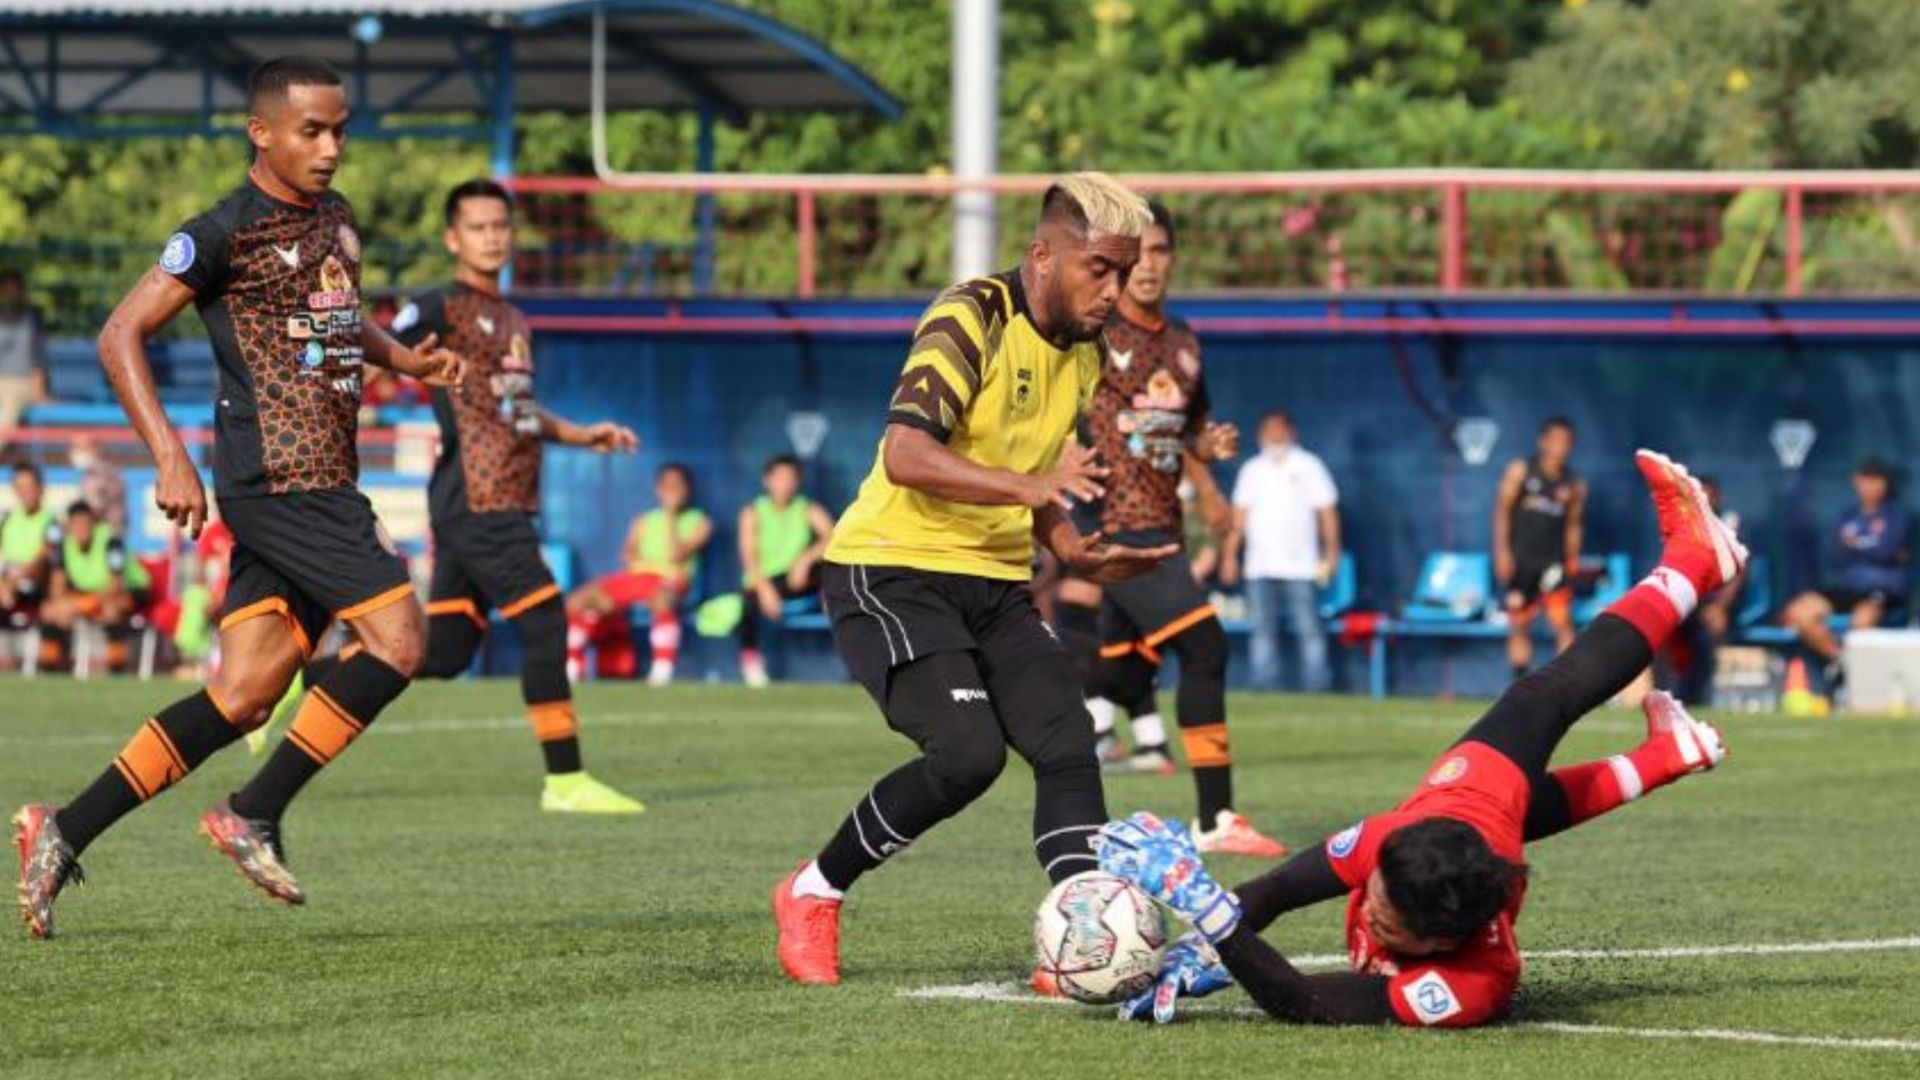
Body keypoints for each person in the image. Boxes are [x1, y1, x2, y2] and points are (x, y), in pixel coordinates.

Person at [12, 55, 464, 939]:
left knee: (246, 694)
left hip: (323, 480)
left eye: (340, 129)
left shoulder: (333, 217)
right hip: (280, 482)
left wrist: (401, 357)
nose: (331, 147)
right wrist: (169, 457)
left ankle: (62, 828)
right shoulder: (222, 232)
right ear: (261, 133)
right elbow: (119, 336)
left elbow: (336, 310)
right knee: (404, 640)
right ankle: (253, 809)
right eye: (312, 131)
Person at [1097, 450, 1743, 1028]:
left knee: (1532, 746)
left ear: (1438, 941)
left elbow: (1304, 1000)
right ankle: (1681, 644)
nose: (1368, 906)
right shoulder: (1390, 846)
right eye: (1373, 892)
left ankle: (1694, 568)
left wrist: (1209, 913)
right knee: (1536, 713)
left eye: (1384, 917)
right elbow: (1274, 893)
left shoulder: (1475, 983)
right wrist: (1202, 943)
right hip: (1466, 802)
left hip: (1480, 813)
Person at [771, 173, 1174, 987]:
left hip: (992, 583)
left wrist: (1072, 547)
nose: (1114, 289)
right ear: (1042, 256)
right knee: (967, 754)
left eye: (1124, 272)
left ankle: (1084, 940)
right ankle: (813, 891)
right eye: (1099, 268)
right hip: (891, 570)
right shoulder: (972, 314)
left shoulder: (1087, 354)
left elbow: (1031, 487)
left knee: (1069, 740)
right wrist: (1033, 492)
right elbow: (906, 455)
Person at [281, 178, 645, 813]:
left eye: (500, 226)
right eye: (478, 227)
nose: (492, 236)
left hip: (497, 500)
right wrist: (337, 404)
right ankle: (565, 781)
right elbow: (375, 349)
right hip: (478, 503)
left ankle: (303, 679)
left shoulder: (513, 318)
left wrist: (584, 436)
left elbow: (519, 411)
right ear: (453, 238)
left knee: (443, 652)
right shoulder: (439, 305)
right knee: (545, 621)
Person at [1068, 202, 1284, 857]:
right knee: (1206, 647)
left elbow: (1188, 426)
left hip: (1165, 525)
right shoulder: (1092, 336)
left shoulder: (1184, 343)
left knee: (1127, 675)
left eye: (1160, 251)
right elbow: (1047, 406)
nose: (1149, 265)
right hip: (1113, 526)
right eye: (1137, 253)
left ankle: (1062, 731)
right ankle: (1216, 819)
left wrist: (1208, 464)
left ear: (1171, 258)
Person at [1222, 411, 1340, 692]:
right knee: (1262, 631)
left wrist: (1332, 551)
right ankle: (1264, 686)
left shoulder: (1310, 465)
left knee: (1309, 629)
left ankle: (1318, 687)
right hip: (1259, 566)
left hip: (1301, 566)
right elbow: (1238, 518)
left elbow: (1327, 512)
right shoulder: (1252, 469)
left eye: (1279, 430)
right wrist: (1229, 555)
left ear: (1291, 432)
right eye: (1268, 431)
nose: (1273, 437)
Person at [565, 462, 710, 685]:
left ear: (687, 489)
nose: (672, 491)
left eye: (677, 485)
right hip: (637, 580)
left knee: (663, 600)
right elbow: (628, 557)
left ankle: (661, 670)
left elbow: (677, 555)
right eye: (667, 485)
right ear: (658, 490)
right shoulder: (643, 520)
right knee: (577, 601)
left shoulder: (700, 522)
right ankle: (572, 667)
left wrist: (670, 516)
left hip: (672, 581)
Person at [1781, 457, 1911, 689]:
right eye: (1866, 479)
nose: (1871, 486)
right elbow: (1837, 553)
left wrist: (1857, 544)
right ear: (1856, 482)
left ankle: (1860, 681)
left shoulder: (1897, 515)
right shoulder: (1848, 516)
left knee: (1863, 621)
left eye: (1877, 480)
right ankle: (1841, 660)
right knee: (1798, 612)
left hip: (1881, 590)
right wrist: (1866, 545)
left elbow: (1887, 550)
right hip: (1847, 587)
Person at [1493, 417, 1586, 678]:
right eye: (1554, 440)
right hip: (1521, 560)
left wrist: (1572, 559)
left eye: (1565, 442)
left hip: (1553, 562)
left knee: (1561, 619)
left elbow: (1574, 525)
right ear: (1542, 441)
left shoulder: (1574, 484)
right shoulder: (1521, 471)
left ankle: (1568, 682)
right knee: (1520, 623)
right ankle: (1519, 681)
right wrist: (1502, 553)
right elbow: (1501, 512)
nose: (1559, 447)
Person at [735, 453, 835, 688]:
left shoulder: (808, 508)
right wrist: (765, 590)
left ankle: (848, 638)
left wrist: (805, 559)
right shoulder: (752, 511)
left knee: (833, 574)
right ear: (767, 480)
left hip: (798, 580)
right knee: (748, 601)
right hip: (763, 582)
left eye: (791, 479)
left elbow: (833, 537)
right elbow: (749, 557)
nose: (785, 484)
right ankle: (751, 664)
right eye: (779, 478)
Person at [41, 499, 152, 672]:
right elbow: (57, 584)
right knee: (51, 610)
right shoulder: (64, 545)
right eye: (76, 524)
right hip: (90, 594)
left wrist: (81, 605)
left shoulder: (111, 542)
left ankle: (117, 669)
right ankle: (51, 667)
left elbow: (115, 584)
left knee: (111, 609)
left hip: (131, 590)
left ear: (93, 523)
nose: (81, 528)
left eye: (85, 523)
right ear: (69, 525)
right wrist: (62, 604)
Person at [0, 460, 57, 633]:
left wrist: (11, 583)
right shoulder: (8, 519)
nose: (25, 491)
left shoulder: (51, 523)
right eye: (20, 486)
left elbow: (41, 561)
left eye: (29, 485)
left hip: (32, 586)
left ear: (40, 487)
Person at [0, 268, 49, 449]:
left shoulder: (32, 318)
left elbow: (38, 357)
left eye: (14, 290)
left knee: (9, 408)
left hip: (21, 382)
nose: (10, 295)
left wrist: (40, 392)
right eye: (6, 290)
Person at [70, 436, 129, 536]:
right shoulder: (93, 473)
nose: (74, 452)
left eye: (80, 448)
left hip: (106, 533)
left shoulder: (101, 474)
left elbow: (95, 507)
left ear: (93, 449)